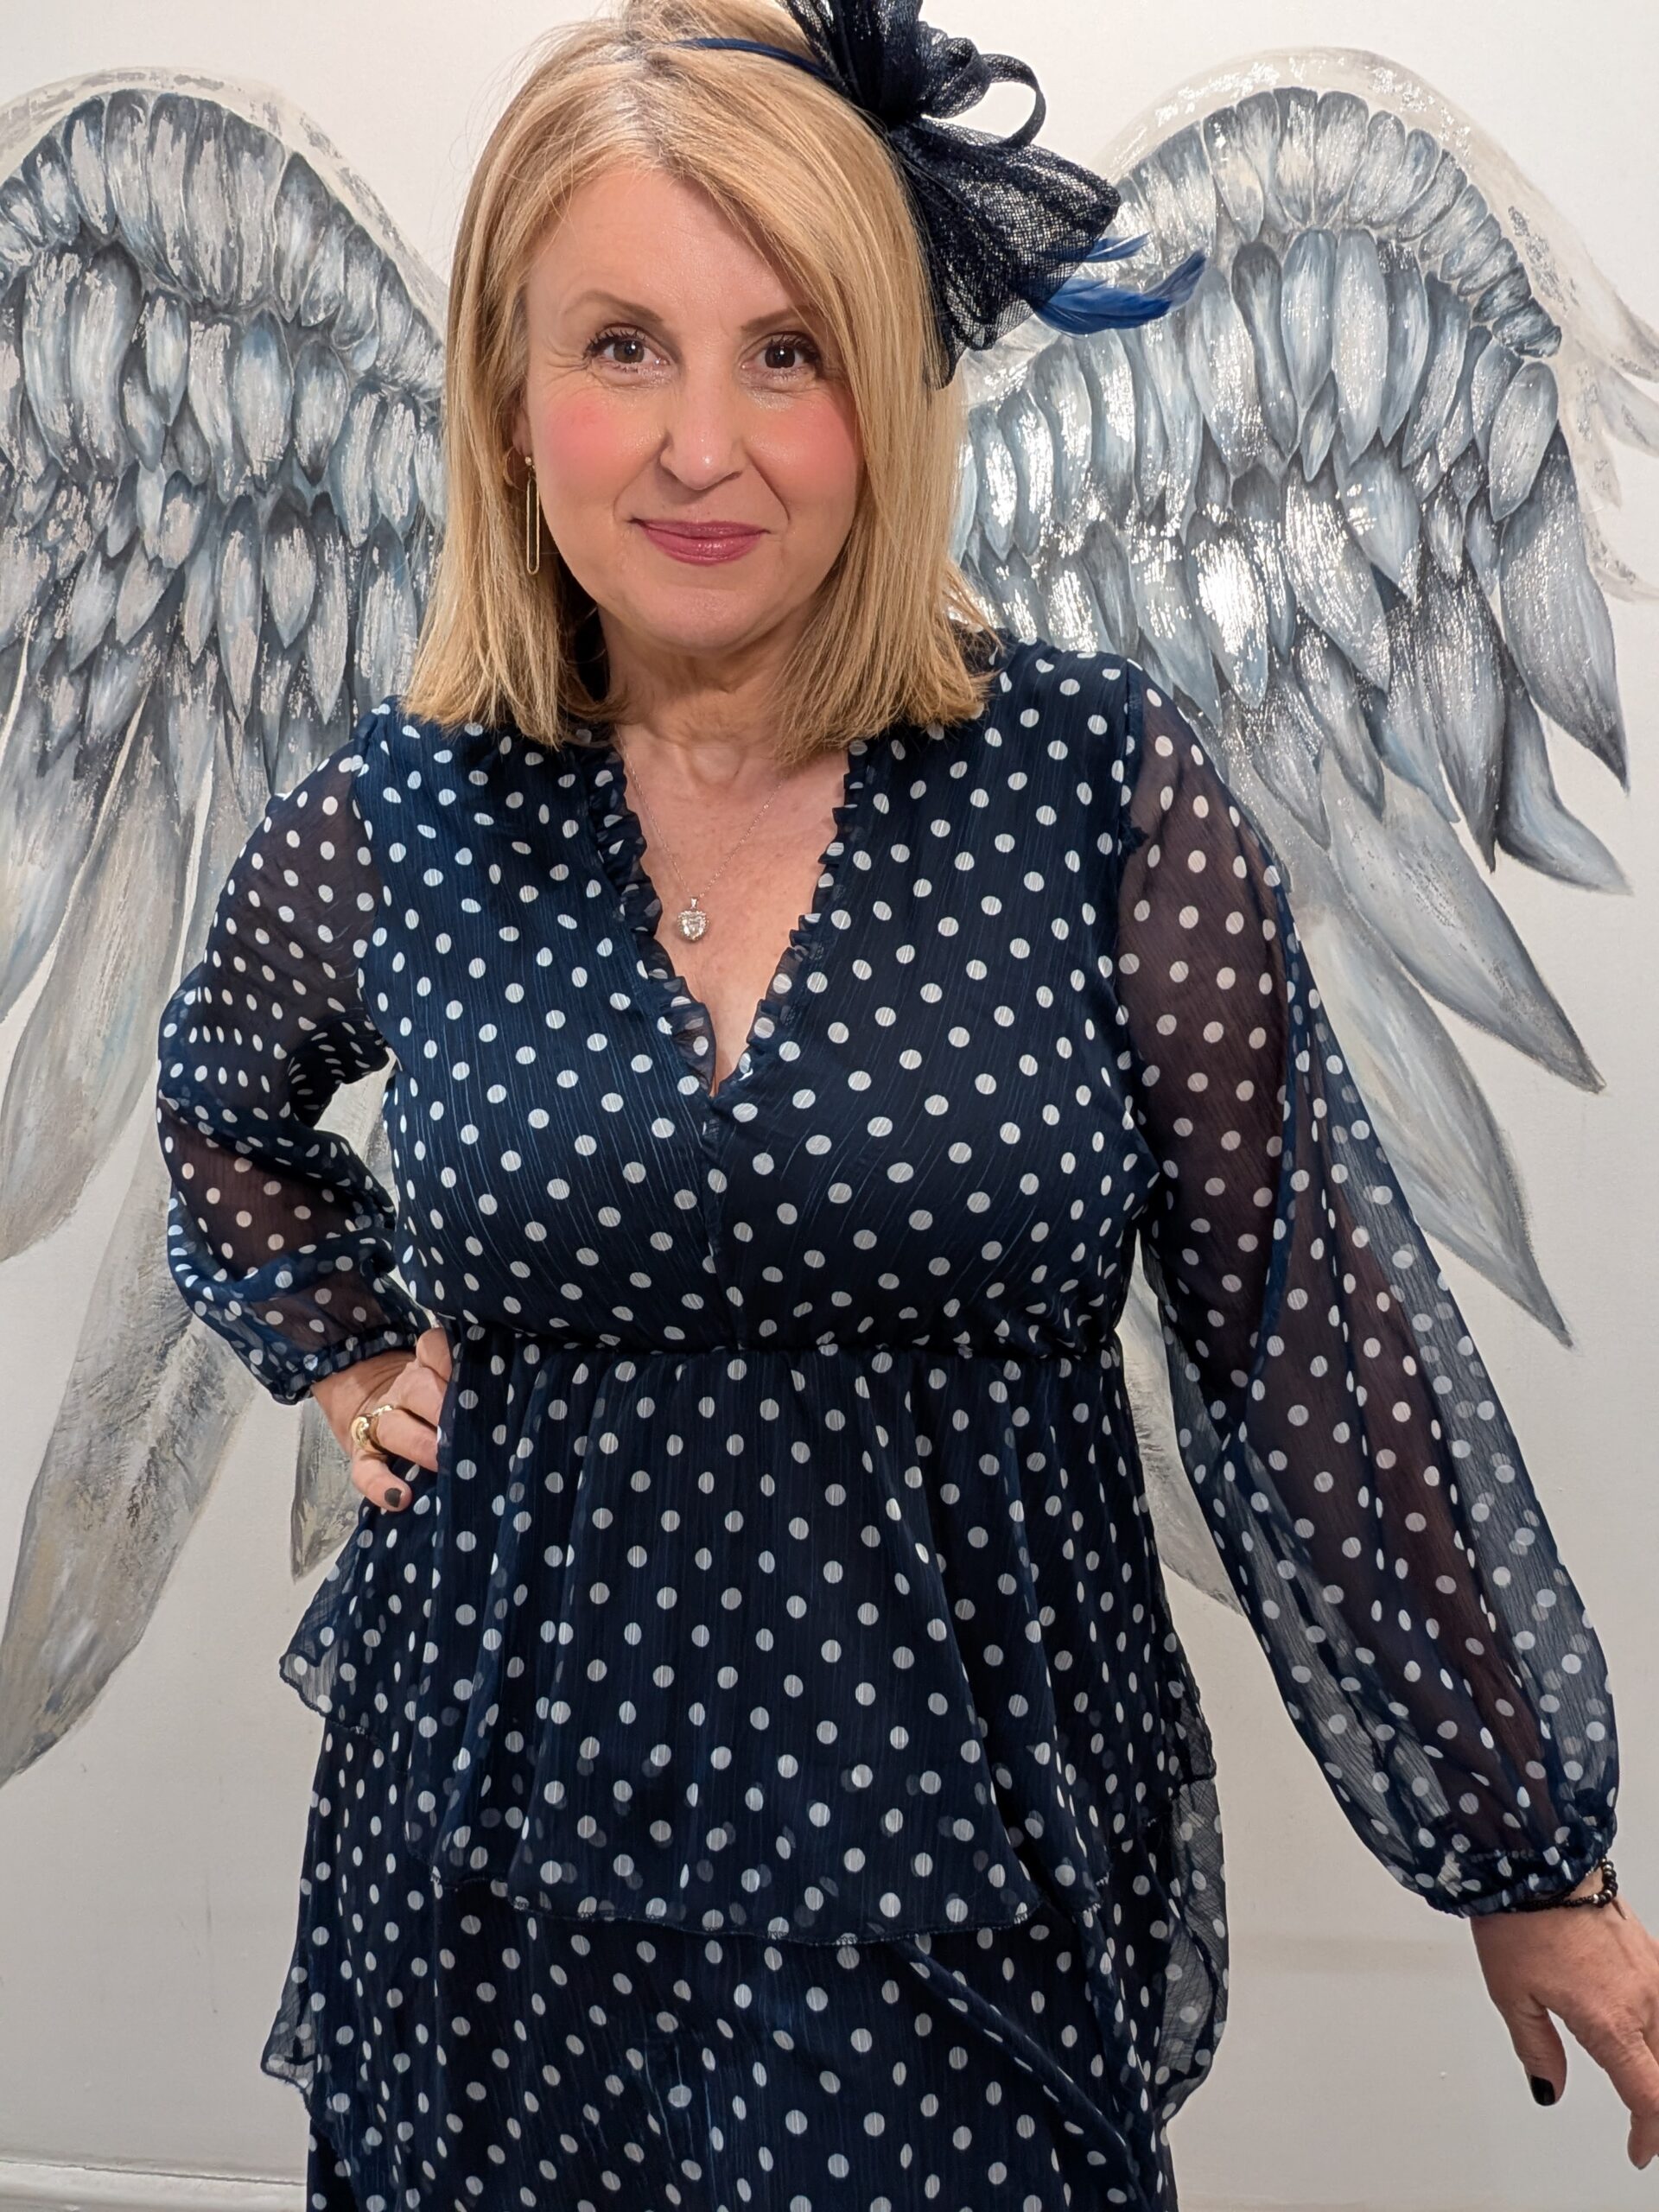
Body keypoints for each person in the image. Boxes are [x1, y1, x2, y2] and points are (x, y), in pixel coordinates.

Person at [153, 0, 1655, 2203]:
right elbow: (222, 1100)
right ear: (506, 391)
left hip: (963, 1879)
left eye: (789, 352)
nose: (703, 445)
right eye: (623, 346)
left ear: (891, 389)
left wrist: (1523, 1847)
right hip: (499, 1887)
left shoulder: (1095, 790)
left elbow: (1306, 1332)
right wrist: (354, 1352)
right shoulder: (410, 818)